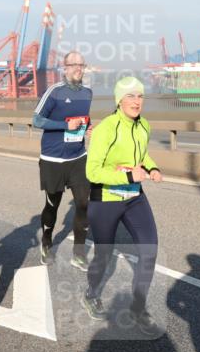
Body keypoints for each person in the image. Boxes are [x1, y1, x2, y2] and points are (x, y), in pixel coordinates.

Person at [81, 76, 162, 336]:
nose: (136, 101)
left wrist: (152, 167)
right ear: (119, 100)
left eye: (140, 96)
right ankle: (91, 293)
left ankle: (138, 309)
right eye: (130, 96)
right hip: (105, 200)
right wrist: (127, 176)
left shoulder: (144, 126)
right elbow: (93, 172)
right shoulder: (106, 129)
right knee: (103, 256)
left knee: (149, 250)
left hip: (134, 197)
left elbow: (141, 153)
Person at [33, 50, 93, 270]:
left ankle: (79, 253)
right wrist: (65, 126)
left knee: (84, 204)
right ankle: (47, 242)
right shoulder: (55, 92)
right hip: (53, 159)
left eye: (81, 64)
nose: (78, 68)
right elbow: (37, 119)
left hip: (78, 157)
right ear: (64, 68)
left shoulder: (88, 93)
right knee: (53, 205)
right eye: (73, 64)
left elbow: (82, 118)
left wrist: (88, 127)